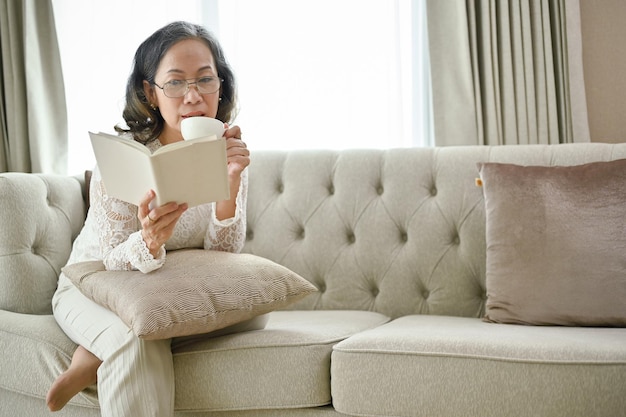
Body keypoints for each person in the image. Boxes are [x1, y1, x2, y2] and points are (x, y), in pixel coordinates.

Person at [46, 21, 262, 416]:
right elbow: (111, 260)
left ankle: (90, 356)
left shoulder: (228, 153)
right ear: (150, 92)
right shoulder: (124, 158)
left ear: (221, 86)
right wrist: (147, 240)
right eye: (176, 83)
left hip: (162, 290)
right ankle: (93, 354)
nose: (193, 96)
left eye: (205, 80)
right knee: (138, 339)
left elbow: (224, 253)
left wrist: (230, 186)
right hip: (92, 281)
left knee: (251, 317)